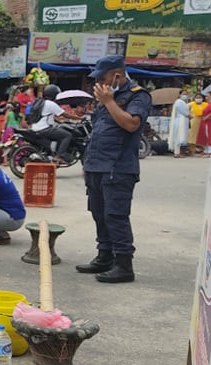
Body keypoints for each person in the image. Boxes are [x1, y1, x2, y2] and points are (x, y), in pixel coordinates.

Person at [76, 55, 151, 284]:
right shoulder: (105, 98)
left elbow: (131, 124)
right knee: (98, 213)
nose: (97, 81)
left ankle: (124, 264)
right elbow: (98, 133)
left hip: (118, 168)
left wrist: (109, 102)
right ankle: (105, 256)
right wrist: (88, 163)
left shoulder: (138, 95)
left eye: (102, 76)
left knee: (115, 216)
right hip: (97, 167)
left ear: (117, 75)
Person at [31, 84, 81, 164]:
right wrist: (79, 118)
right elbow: (65, 115)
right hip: (44, 129)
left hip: (36, 127)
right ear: (54, 95)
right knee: (67, 135)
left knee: (60, 131)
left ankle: (53, 152)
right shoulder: (51, 104)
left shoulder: (41, 102)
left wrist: (59, 122)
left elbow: (47, 116)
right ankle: (59, 156)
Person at [167, 90, 190, 158]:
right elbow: (183, 111)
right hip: (180, 121)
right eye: (183, 94)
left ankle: (180, 152)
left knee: (181, 136)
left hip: (184, 121)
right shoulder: (179, 102)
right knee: (178, 136)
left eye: (186, 94)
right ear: (179, 95)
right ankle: (177, 152)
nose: (185, 95)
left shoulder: (184, 103)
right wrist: (189, 115)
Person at [197, 91, 211, 157]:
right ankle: (207, 150)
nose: (206, 97)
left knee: (210, 136)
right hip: (209, 122)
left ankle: (210, 151)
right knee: (207, 136)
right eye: (206, 96)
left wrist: (206, 118)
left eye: (208, 96)